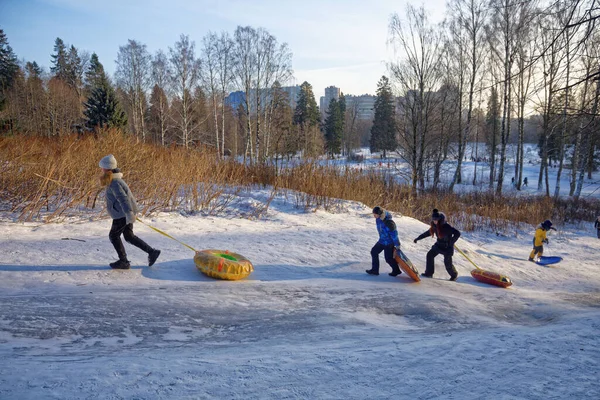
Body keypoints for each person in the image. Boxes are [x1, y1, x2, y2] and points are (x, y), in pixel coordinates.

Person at [99, 154, 161, 270]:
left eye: (102, 168)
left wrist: (128, 213)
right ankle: (152, 252)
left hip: (122, 214)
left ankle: (124, 261)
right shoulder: (114, 180)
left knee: (113, 236)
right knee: (129, 236)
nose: (101, 170)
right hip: (124, 213)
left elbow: (123, 198)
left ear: (108, 169)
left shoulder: (115, 182)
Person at [413, 209, 460, 281]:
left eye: (436, 220)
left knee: (447, 264)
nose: (434, 221)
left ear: (440, 220)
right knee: (430, 255)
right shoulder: (434, 226)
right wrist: (418, 238)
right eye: (433, 219)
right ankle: (429, 273)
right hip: (438, 245)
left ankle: (454, 275)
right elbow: (427, 233)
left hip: (447, 247)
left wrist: (452, 242)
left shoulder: (447, 227)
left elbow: (457, 233)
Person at [366, 206, 402, 277]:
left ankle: (396, 270)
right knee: (374, 251)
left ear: (380, 214)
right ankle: (375, 270)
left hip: (389, 243)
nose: (374, 216)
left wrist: (397, 244)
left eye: (375, 214)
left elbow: (394, 234)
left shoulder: (389, 223)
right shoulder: (379, 219)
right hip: (382, 240)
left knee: (388, 259)